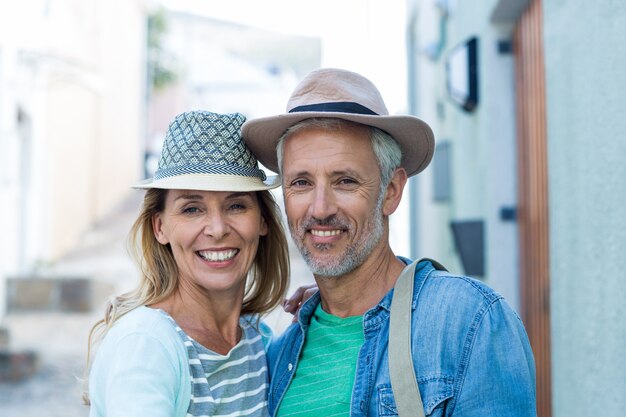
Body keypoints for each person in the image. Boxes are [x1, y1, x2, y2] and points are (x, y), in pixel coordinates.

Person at [242, 68, 537, 416]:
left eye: (345, 181)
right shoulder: (279, 355)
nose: (320, 209)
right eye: (301, 183)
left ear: (391, 191)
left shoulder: (469, 321)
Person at [85, 110, 291, 417]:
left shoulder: (259, 342)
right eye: (192, 209)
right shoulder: (146, 346)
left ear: (262, 221)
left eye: (236, 205)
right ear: (160, 227)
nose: (218, 228)